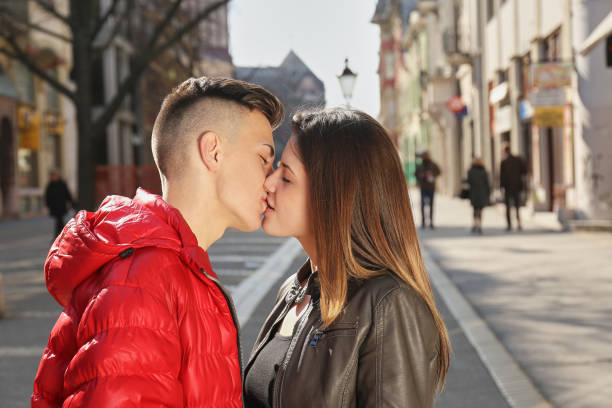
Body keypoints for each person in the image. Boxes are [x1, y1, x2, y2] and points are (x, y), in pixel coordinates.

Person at [31, 77, 283, 407]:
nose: (272, 179)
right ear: (214, 152)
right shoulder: (143, 281)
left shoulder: (172, 268)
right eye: (264, 159)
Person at [244, 108, 450, 407]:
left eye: (286, 177)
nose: (269, 183)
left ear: (334, 197)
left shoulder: (387, 306)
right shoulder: (293, 289)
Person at [500, 145, 527, 231]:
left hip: (508, 187)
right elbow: (524, 171)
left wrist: (501, 187)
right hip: (517, 186)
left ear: (504, 151)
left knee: (508, 206)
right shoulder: (517, 159)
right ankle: (519, 223)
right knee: (517, 205)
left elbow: (502, 176)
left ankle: (509, 224)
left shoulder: (504, 162)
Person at [415, 151, 441, 229]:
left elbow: (439, 172)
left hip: (431, 187)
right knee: (423, 205)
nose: (426, 157)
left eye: (427, 156)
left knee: (431, 205)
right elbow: (416, 174)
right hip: (423, 187)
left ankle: (431, 222)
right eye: (424, 156)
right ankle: (423, 222)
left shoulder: (433, 165)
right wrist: (421, 176)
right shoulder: (420, 166)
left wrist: (432, 174)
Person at [44, 170, 74, 237]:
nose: (52, 177)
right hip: (54, 206)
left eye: (53, 176)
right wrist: (47, 204)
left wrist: (71, 201)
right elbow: (47, 196)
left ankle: (60, 233)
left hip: (61, 205)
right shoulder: (50, 185)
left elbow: (67, 194)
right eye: (51, 176)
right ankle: (62, 233)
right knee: (59, 220)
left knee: (59, 219)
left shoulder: (62, 184)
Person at [467, 158, 491, 234]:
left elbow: (469, 181)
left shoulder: (471, 171)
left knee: (475, 209)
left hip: (474, 193)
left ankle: (475, 223)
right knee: (480, 210)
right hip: (482, 193)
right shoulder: (484, 172)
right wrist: (488, 193)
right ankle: (479, 224)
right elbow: (487, 184)